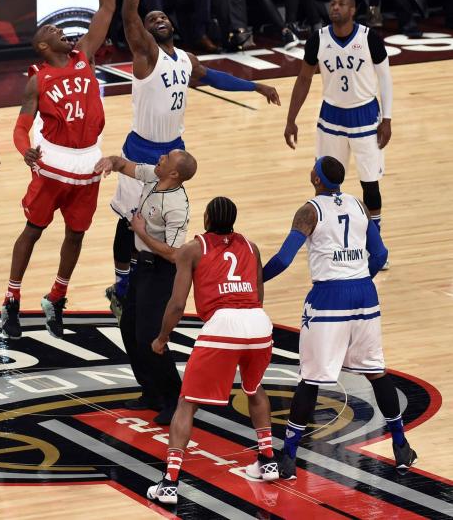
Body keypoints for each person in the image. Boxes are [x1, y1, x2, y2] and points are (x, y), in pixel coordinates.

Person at [107, 0, 279, 350]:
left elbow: (215, 77)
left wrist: (255, 85)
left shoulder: (184, 60)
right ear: (145, 33)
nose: (158, 18)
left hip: (175, 153)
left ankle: (153, 280)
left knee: (162, 220)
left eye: (163, 15)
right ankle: (120, 284)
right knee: (126, 218)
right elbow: (129, 15)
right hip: (142, 149)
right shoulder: (146, 54)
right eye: (153, 18)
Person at [261, 156, 416, 479]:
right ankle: (401, 447)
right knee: (376, 371)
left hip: (329, 298)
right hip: (364, 296)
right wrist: (362, 277)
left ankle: (288, 457)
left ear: (316, 179)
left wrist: (257, 279)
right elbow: (382, 255)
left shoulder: (309, 210)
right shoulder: (359, 205)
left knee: (312, 379)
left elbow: (284, 258)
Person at [0, 0, 116, 341]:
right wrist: (24, 151)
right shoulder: (39, 80)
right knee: (33, 230)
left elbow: (105, 9)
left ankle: (56, 296)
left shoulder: (84, 57)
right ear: (42, 46)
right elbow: (19, 126)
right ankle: (12, 300)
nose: (61, 31)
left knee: (77, 234)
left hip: (88, 162)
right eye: (52, 31)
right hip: (53, 163)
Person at [144, 197, 278, 506]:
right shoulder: (251, 247)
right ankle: (268, 460)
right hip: (258, 323)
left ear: (206, 219)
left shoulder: (193, 249)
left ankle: (169, 483)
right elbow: (258, 294)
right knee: (254, 387)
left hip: (223, 325)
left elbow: (177, 303)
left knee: (186, 403)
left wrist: (162, 337)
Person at [96, 149, 196, 425]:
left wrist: (140, 231)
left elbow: (174, 253)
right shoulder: (154, 175)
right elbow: (124, 165)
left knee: (149, 336)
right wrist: (111, 163)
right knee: (128, 327)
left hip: (162, 272)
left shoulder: (177, 205)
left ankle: (174, 399)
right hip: (142, 267)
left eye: (167, 159)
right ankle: (150, 391)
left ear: (174, 174)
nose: (160, 157)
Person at [284, 0, 392, 243]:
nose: (335, 7)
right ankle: (329, 234)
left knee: (370, 184)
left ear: (353, 10)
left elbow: (385, 78)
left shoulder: (369, 38)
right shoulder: (318, 39)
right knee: (324, 182)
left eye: (341, 4)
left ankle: (375, 243)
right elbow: (304, 79)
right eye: (332, 3)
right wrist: (291, 119)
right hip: (331, 116)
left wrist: (387, 119)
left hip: (365, 115)